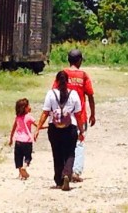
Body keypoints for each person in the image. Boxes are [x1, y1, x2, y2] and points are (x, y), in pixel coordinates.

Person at [35, 70, 85, 191]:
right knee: (70, 153)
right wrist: (81, 130)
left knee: (57, 154)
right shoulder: (73, 94)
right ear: (68, 81)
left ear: (56, 81)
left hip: (54, 128)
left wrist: (38, 128)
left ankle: (59, 180)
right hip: (70, 128)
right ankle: (67, 174)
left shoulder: (51, 94)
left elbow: (45, 113)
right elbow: (78, 115)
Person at [53, 48, 95, 183]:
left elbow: (54, 92)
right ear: (80, 61)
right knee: (79, 143)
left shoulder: (62, 74)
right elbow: (90, 96)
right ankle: (75, 171)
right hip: (79, 116)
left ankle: (65, 171)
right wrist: (93, 114)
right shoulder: (83, 75)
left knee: (63, 144)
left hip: (62, 116)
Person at [8, 98, 36, 180]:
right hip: (27, 141)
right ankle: (24, 167)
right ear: (25, 108)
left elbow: (13, 129)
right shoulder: (29, 117)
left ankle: (21, 173)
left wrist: (11, 139)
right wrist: (49, 126)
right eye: (28, 106)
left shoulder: (17, 118)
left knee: (18, 157)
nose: (30, 107)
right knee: (28, 157)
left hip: (18, 141)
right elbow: (38, 125)